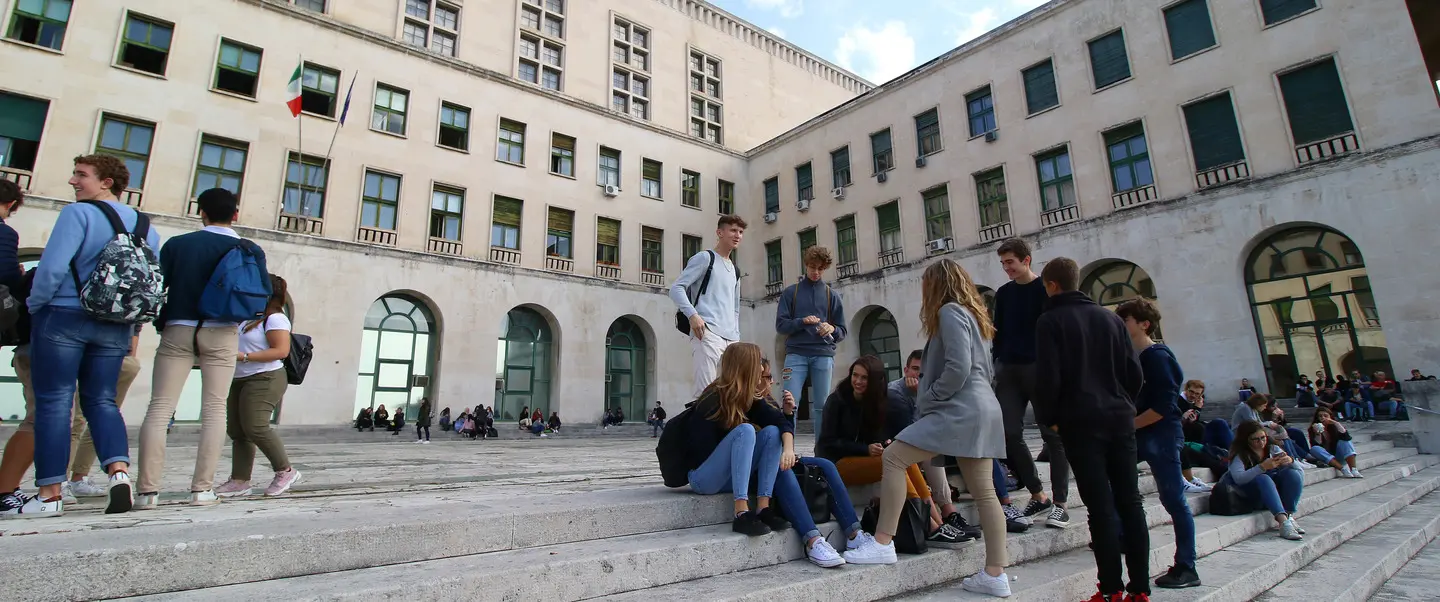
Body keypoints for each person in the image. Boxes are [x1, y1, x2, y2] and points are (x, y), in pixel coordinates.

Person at [844, 259, 1011, 598]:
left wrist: (930, 395)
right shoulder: (973, 315)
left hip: (957, 409)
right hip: (982, 409)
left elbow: (958, 367)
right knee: (985, 492)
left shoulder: (949, 312)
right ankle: (996, 572)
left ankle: (882, 542)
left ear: (935, 284)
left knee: (893, 456)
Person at [18, 155, 163, 517]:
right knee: (101, 401)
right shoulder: (146, 226)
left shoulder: (77, 214)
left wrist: (36, 307)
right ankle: (119, 473)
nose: (73, 181)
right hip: (115, 324)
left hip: (65, 315)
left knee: (55, 402)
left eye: (81, 175)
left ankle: (50, 494)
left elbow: (50, 269)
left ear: (106, 182)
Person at [135, 188, 267, 509]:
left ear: (201, 212)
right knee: (214, 408)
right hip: (221, 330)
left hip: (179, 327)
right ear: (235, 214)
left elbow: (157, 287)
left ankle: (147, 492)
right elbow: (256, 298)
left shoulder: (178, 245)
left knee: (160, 407)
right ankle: (202, 489)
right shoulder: (249, 249)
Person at [1032, 257, 1148, 602]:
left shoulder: (1049, 321)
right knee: (1131, 501)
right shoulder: (1111, 319)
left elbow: (1048, 378)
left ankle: (1110, 589)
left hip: (1080, 423)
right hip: (1119, 419)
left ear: (1052, 285)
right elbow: (1134, 374)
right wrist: (1121, 401)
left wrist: (1050, 417)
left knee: (1100, 508)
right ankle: (1140, 589)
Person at [817, 354, 970, 546]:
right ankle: (930, 526)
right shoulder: (837, 400)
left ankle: (938, 523)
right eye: (855, 375)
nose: (857, 381)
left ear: (875, 381)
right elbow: (826, 442)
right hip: (835, 464)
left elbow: (880, 435)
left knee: (902, 458)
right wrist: (864, 449)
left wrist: (883, 444)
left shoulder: (878, 402)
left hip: (865, 461)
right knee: (892, 462)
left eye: (864, 378)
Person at [1116, 299, 1200, 589]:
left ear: (1144, 323)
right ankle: (1124, 536)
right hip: (1140, 434)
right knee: (1117, 483)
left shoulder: (1157, 356)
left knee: (1174, 500)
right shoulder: (1132, 356)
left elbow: (1164, 405)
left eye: (1125, 321)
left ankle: (1187, 566)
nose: (1121, 327)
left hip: (1161, 434)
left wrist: (1128, 424)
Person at [756, 358, 871, 568]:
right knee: (784, 470)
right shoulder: (748, 402)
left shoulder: (767, 401)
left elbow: (783, 428)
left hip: (779, 459)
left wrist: (788, 414)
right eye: (766, 377)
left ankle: (855, 534)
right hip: (760, 470)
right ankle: (813, 540)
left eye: (771, 377)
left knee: (825, 465)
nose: (771, 382)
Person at [888, 349, 1015, 535]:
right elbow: (912, 431)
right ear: (906, 370)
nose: (919, 375)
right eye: (915, 369)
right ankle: (948, 512)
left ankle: (1005, 503)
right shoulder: (895, 392)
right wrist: (921, 395)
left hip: (941, 439)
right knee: (929, 451)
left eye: (923, 371)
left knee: (979, 449)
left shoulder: (936, 387)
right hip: (909, 444)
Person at [989, 238, 1069, 528]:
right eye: (1003, 263)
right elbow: (997, 331)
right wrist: (997, 360)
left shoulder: (1044, 290)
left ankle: (1060, 502)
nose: (1006, 268)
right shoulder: (1004, 293)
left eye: (1010, 261)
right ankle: (1038, 494)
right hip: (1009, 370)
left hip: (1040, 369)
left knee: (1053, 436)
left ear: (1026, 260)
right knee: (1009, 434)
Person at [674, 342, 788, 537]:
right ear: (746, 365)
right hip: (703, 477)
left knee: (772, 432)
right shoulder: (713, 397)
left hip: (727, 475)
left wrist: (789, 447)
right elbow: (701, 454)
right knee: (745, 431)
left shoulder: (748, 397)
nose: (762, 368)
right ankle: (741, 512)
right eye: (758, 362)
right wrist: (734, 447)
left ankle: (763, 508)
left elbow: (778, 421)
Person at [214, 275, 300, 497]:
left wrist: (244, 356)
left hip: (265, 377)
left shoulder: (275, 319)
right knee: (237, 431)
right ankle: (240, 480)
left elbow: (281, 350)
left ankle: (286, 471)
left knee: (256, 426)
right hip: (240, 378)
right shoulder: (249, 318)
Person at [669, 215, 746, 398]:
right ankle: (701, 426)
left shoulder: (735, 270)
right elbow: (676, 288)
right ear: (720, 232)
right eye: (733, 230)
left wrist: (736, 334)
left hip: (731, 338)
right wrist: (693, 315)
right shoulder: (705, 258)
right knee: (705, 394)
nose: (737, 235)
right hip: (707, 332)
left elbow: (735, 308)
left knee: (732, 393)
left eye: (741, 232)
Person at [775, 245, 847, 438]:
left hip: (823, 355)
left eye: (821, 268)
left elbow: (843, 331)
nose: (816, 272)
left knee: (823, 406)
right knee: (790, 403)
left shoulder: (832, 295)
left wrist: (832, 329)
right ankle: (787, 449)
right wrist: (802, 322)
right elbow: (781, 326)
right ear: (806, 265)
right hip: (795, 354)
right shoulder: (791, 293)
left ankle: (820, 452)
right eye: (813, 267)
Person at [1223, 421, 1305, 541]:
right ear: (1246, 440)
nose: (1261, 442)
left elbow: (1300, 473)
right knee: (1263, 477)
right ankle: (1283, 523)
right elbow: (1239, 479)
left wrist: (1291, 461)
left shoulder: (1272, 448)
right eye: (1255, 439)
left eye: (1263, 438)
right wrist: (1262, 467)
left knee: (1292, 473)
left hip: (1272, 493)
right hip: (1249, 495)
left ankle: (1288, 515)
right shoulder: (1239, 455)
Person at [1307, 408, 1362, 478]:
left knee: (1345, 442)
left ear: (1330, 416)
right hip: (1326, 458)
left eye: (1325, 415)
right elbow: (1317, 446)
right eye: (1320, 416)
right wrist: (1318, 434)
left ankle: (1354, 469)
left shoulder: (1335, 426)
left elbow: (1347, 438)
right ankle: (1343, 469)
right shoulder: (1313, 428)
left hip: (1338, 455)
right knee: (1314, 449)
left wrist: (1336, 423)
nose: (1323, 418)